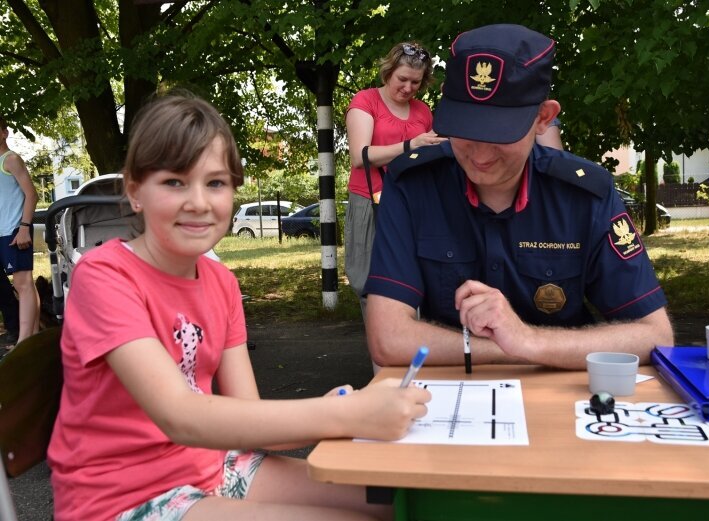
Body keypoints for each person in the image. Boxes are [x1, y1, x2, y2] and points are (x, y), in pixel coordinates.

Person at [47, 93, 431, 521]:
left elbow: (246, 412)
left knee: (399, 504)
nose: (198, 202)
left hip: (212, 463)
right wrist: (342, 415)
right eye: (175, 182)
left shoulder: (221, 283)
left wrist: (342, 409)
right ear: (136, 191)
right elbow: (182, 417)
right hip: (119, 496)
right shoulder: (103, 276)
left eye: (215, 183)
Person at [363, 24, 674, 371]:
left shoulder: (585, 195)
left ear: (543, 118)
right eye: (465, 128)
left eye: (499, 132)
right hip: (452, 400)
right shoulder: (412, 185)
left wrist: (528, 339)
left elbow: (655, 336)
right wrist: (507, 346)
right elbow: (388, 338)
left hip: (562, 398)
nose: (480, 154)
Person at [345, 41, 447, 316]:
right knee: (368, 281)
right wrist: (410, 145)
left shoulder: (423, 111)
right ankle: (382, 355)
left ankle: (411, 349)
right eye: (402, 79)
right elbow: (360, 156)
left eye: (415, 82)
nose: (408, 88)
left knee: (413, 279)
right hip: (371, 200)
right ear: (388, 72)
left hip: (413, 203)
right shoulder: (366, 101)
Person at [0, 115, 39, 347]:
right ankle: (32, 336)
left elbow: (31, 194)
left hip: (15, 230)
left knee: (22, 283)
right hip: (2, 232)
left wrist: (24, 228)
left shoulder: (11, 159)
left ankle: (24, 342)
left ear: (4, 133)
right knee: (25, 285)